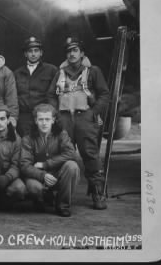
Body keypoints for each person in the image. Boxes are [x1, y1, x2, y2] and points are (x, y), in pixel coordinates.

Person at [47, 36, 110, 210]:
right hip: (64, 118)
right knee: (60, 153)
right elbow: (51, 94)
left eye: (75, 50)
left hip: (85, 118)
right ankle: (55, 193)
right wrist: (56, 115)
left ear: (82, 53)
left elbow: (105, 94)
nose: (72, 54)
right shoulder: (60, 73)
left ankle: (97, 193)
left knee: (90, 155)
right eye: (69, 51)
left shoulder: (93, 71)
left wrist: (94, 112)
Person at [20, 104, 80, 217]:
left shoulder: (62, 134)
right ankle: (40, 198)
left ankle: (63, 205)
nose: (44, 123)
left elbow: (71, 153)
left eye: (47, 119)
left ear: (53, 120)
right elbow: (24, 165)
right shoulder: (27, 139)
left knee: (72, 166)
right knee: (34, 187)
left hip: (56, 173)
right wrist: (42, 175)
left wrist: (46, 164)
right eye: (41, 119)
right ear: (35, 121)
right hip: (37, 176)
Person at [14, 36, 57, 137]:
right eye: (30, 51)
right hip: (24, 118)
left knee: (43, 145)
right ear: (25, 54)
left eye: (36, 50)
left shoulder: (51, 70)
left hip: (43, 116)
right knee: (26, 145)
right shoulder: (17, 73)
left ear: (41, 53)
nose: (33, 54)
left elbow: (56, 94)